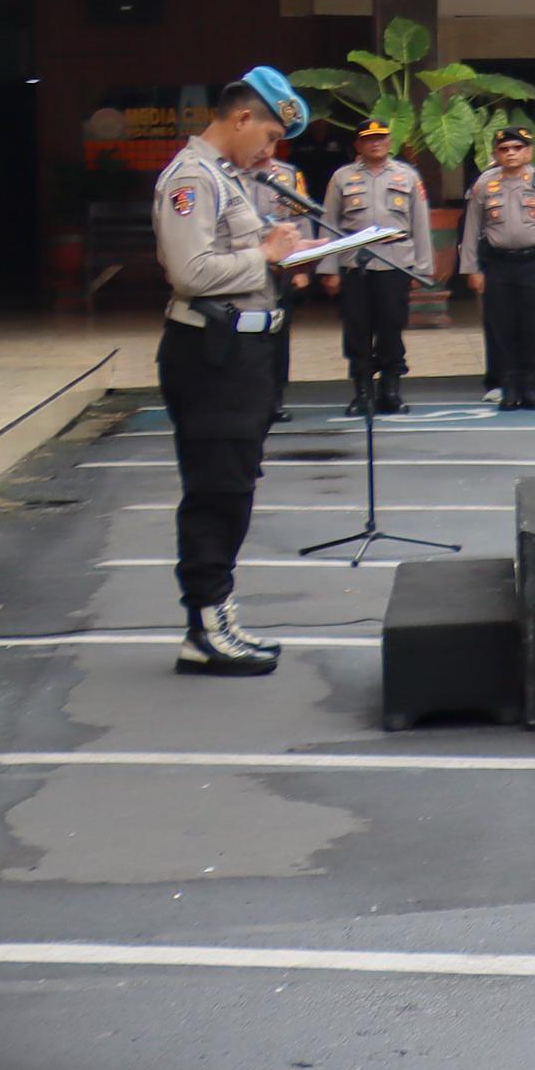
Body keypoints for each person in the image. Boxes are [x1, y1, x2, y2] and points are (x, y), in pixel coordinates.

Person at [155, 69, 320, 675]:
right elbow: (191, 272)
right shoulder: (191, 179)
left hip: (244, 354)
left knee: (234, 485)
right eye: (271, 135)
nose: (271, 151)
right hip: (210, 357)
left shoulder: (227, 179)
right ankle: (204, 625)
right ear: (242, 117)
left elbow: (251, 253)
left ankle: (217, 614)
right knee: (217, 490)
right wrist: (266, 254)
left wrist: (284, 248)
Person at [316, 118, 434, 416]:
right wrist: (328, 269)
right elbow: (328, 224)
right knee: (357, 330)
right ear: (357, 145)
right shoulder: (341, 177)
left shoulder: (408, 176)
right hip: (355, 264)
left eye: (381, 137)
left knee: (391, 327)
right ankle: (362, 392)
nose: (376, 142)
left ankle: (390, 391)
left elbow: (420, 223)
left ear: (390, 142)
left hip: (395, 263)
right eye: (368, 138)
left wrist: (422, 267)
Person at [460, 127, 535, 412]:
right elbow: (472, 228)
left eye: (517, 148)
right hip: (497, 264)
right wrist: (472, 268)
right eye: (504, 149)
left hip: (533, 263)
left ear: (528, 151)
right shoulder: (484, 184)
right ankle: (508, 387)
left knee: (534, 325)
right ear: (496, 153)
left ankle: (530, 387)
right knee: (501, 326)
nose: (511, 153)